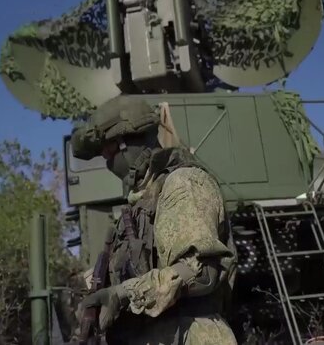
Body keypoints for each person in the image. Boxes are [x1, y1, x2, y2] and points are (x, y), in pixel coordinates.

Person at [70, 95, 238, 345]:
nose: (107, 160)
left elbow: (200, 271)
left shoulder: (183, 183)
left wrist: (124, 294)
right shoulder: (138, 205)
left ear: (128, 143)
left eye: (109, 150)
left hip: (190, 335)